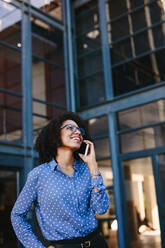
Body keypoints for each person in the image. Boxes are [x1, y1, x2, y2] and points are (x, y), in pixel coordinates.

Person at [11, 111, 109, 248]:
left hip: (97, 243)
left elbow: (101, 208)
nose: (78, 132)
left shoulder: (88, 170)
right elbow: (17, 215)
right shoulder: (39, 175)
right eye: (70, 127)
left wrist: (93, 166)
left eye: (79, 130)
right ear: (55, 135)